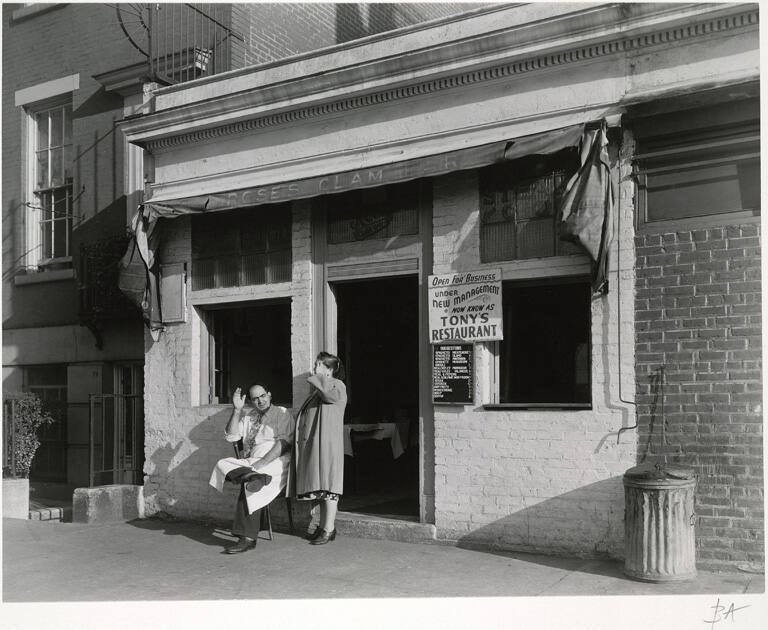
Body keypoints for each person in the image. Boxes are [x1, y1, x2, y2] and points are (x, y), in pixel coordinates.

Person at [209, 383, 293, 554]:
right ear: (251, 401)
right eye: (255, 398)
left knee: (251, 486)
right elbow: (232, 436)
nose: (260, 401)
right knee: (222, 464)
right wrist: (237, 410)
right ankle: (252, 477)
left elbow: (284, 443)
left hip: (276, 461)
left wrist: (262, 463)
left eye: (262, 396)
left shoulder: (281, 413)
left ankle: (247, 538)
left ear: (269, 395)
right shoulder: (249, 416)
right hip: (252, 461)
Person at [290, 351, 347, 545]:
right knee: (322, 489)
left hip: (329, 446)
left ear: (329, 369)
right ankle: (324, 527)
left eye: (319, 365)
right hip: (317, 444)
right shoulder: (318, 391)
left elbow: (329, 396)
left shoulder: (337, 386)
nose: (314, 368)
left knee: (330, 487)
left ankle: (329, 529)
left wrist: (317, 378)